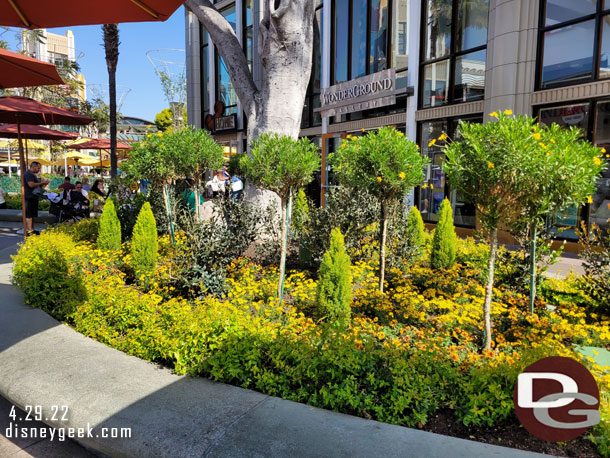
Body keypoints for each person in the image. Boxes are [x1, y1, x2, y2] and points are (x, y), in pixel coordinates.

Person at [24, 161, 49, 235]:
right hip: (29, 196)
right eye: (38, 168)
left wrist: (43, 183)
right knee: (29, 214)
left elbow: (36, 185)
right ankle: (30, 231)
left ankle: (32, 229)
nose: (39, 170)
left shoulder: (32, 175)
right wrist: (42, 183)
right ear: (33, 167)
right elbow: (31, 185)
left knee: (32, 214)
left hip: (33, 196)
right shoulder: (28, 174)